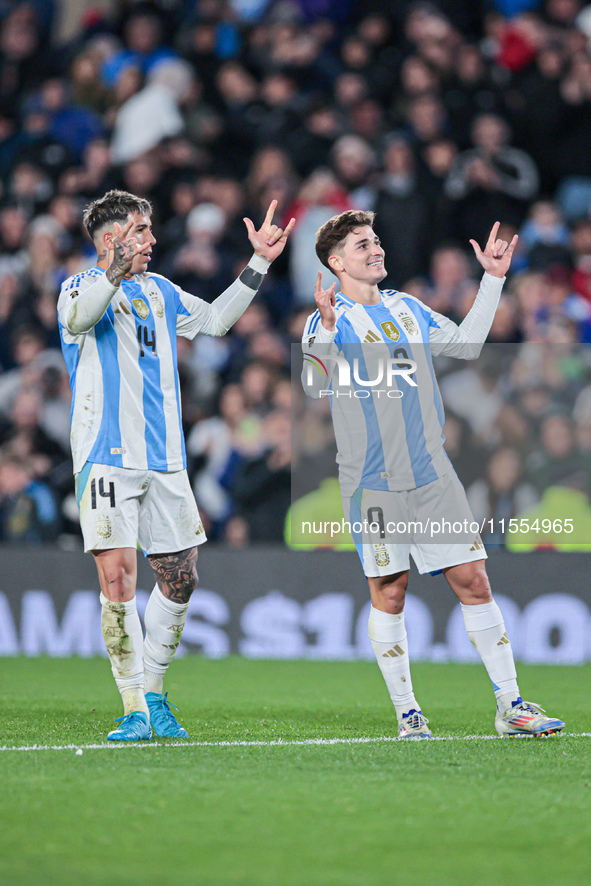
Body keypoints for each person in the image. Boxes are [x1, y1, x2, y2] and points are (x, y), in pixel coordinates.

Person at [301, 209, 564, 738]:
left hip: (432, 474)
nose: (375, 249)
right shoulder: (328, 320)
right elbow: (315, 386)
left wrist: (492, 280)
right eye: (361, 245)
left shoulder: (406, 307)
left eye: (375, 240)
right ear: (336, 262)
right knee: (391, 592)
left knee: (474, 580)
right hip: (373, 482)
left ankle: (511, 706)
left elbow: (466, 345)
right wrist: (327, 332)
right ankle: (408, 712)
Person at [58, 189, 294, 741]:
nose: (154, 239)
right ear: (113, 239)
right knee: (117, 579)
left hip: (164, 460)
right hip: (106, 456)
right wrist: (114, 270)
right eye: (142, 229)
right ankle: (135, 708)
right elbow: (78, 317)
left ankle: (157, 694)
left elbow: (214, 322)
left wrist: (258, 262)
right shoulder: (81, 285)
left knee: (181, 579)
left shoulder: (161, 291)